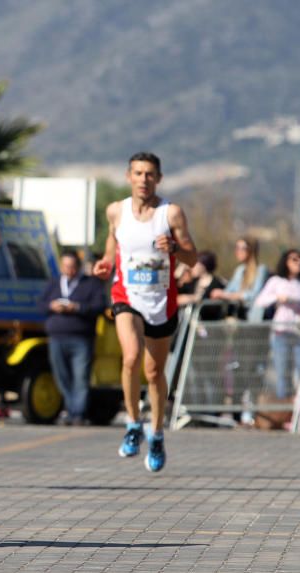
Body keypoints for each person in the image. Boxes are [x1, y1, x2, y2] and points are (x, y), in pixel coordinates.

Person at [93, 152, 197, 473]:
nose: (143, 179)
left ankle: (157, 433)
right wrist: (105, 265)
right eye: (138, 173)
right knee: (130, 356)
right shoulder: (116, 211)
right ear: (129, 177)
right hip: (127, 296)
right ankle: (133, 424)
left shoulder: (172, 214)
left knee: (154, 373)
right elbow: (113, 249)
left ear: (159, 179)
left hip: (161, 302)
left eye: (150, 174)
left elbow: (193, 259)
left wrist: (176, 250)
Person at [38, 250, 107, 426]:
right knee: (62, 376)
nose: (69, 270)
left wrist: (76, 308)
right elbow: (40, 304)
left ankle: (78, 413)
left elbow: (99, 306)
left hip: (81, 338)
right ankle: (70, 409)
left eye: (72, 267)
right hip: (57, 337)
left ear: (78, 267)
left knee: (80, 377)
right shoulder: (54, 283)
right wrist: (51, 306)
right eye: (66, 266)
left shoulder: (91, 284)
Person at [253, 249, 300, 400]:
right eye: (294, 259)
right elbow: (260, 300)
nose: (298, 262)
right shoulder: (276, 281)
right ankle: (284, 408)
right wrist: (277, 297)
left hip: (299, 332)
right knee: (283, 372)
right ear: (285, 262)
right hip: (280, 332)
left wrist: (292, 300)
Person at [210, 235, 268, 320]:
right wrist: (220, 294)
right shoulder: (240, 270)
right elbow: (230, 289)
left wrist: (230, 295)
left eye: (242, 248)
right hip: (238, 314)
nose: (238, 251)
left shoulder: (261, 270)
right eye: (236, 248)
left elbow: (254, 294)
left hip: (252, 316)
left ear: (251, 250)